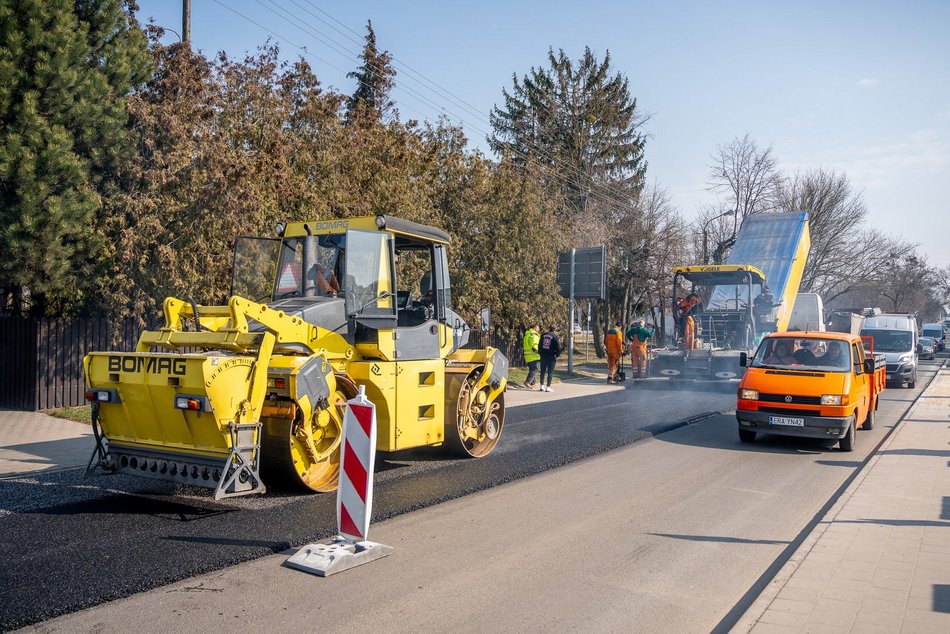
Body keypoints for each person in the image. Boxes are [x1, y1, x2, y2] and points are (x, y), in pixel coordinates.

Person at [537, 324, 562, 392]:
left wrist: (540, 353)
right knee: (550, 372)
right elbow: (559, 347)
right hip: (551, 356)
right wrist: (557, 355)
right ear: (555, 329)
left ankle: (541, 386)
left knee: (542, 371)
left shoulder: (543, 335)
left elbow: (539, 345)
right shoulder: (555, 336)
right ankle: (548, 387)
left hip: (543, 355)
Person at [522, 323, 541, 388]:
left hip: (528, 356)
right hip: (534, 356)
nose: (538, 329)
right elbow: (534, 346)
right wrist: (540, 352)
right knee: (535, 369)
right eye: (538, 327)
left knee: (532, 369)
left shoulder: (527, 334)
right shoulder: (533, 335)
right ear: (534, 328)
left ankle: (533, 383)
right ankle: (527, 382)